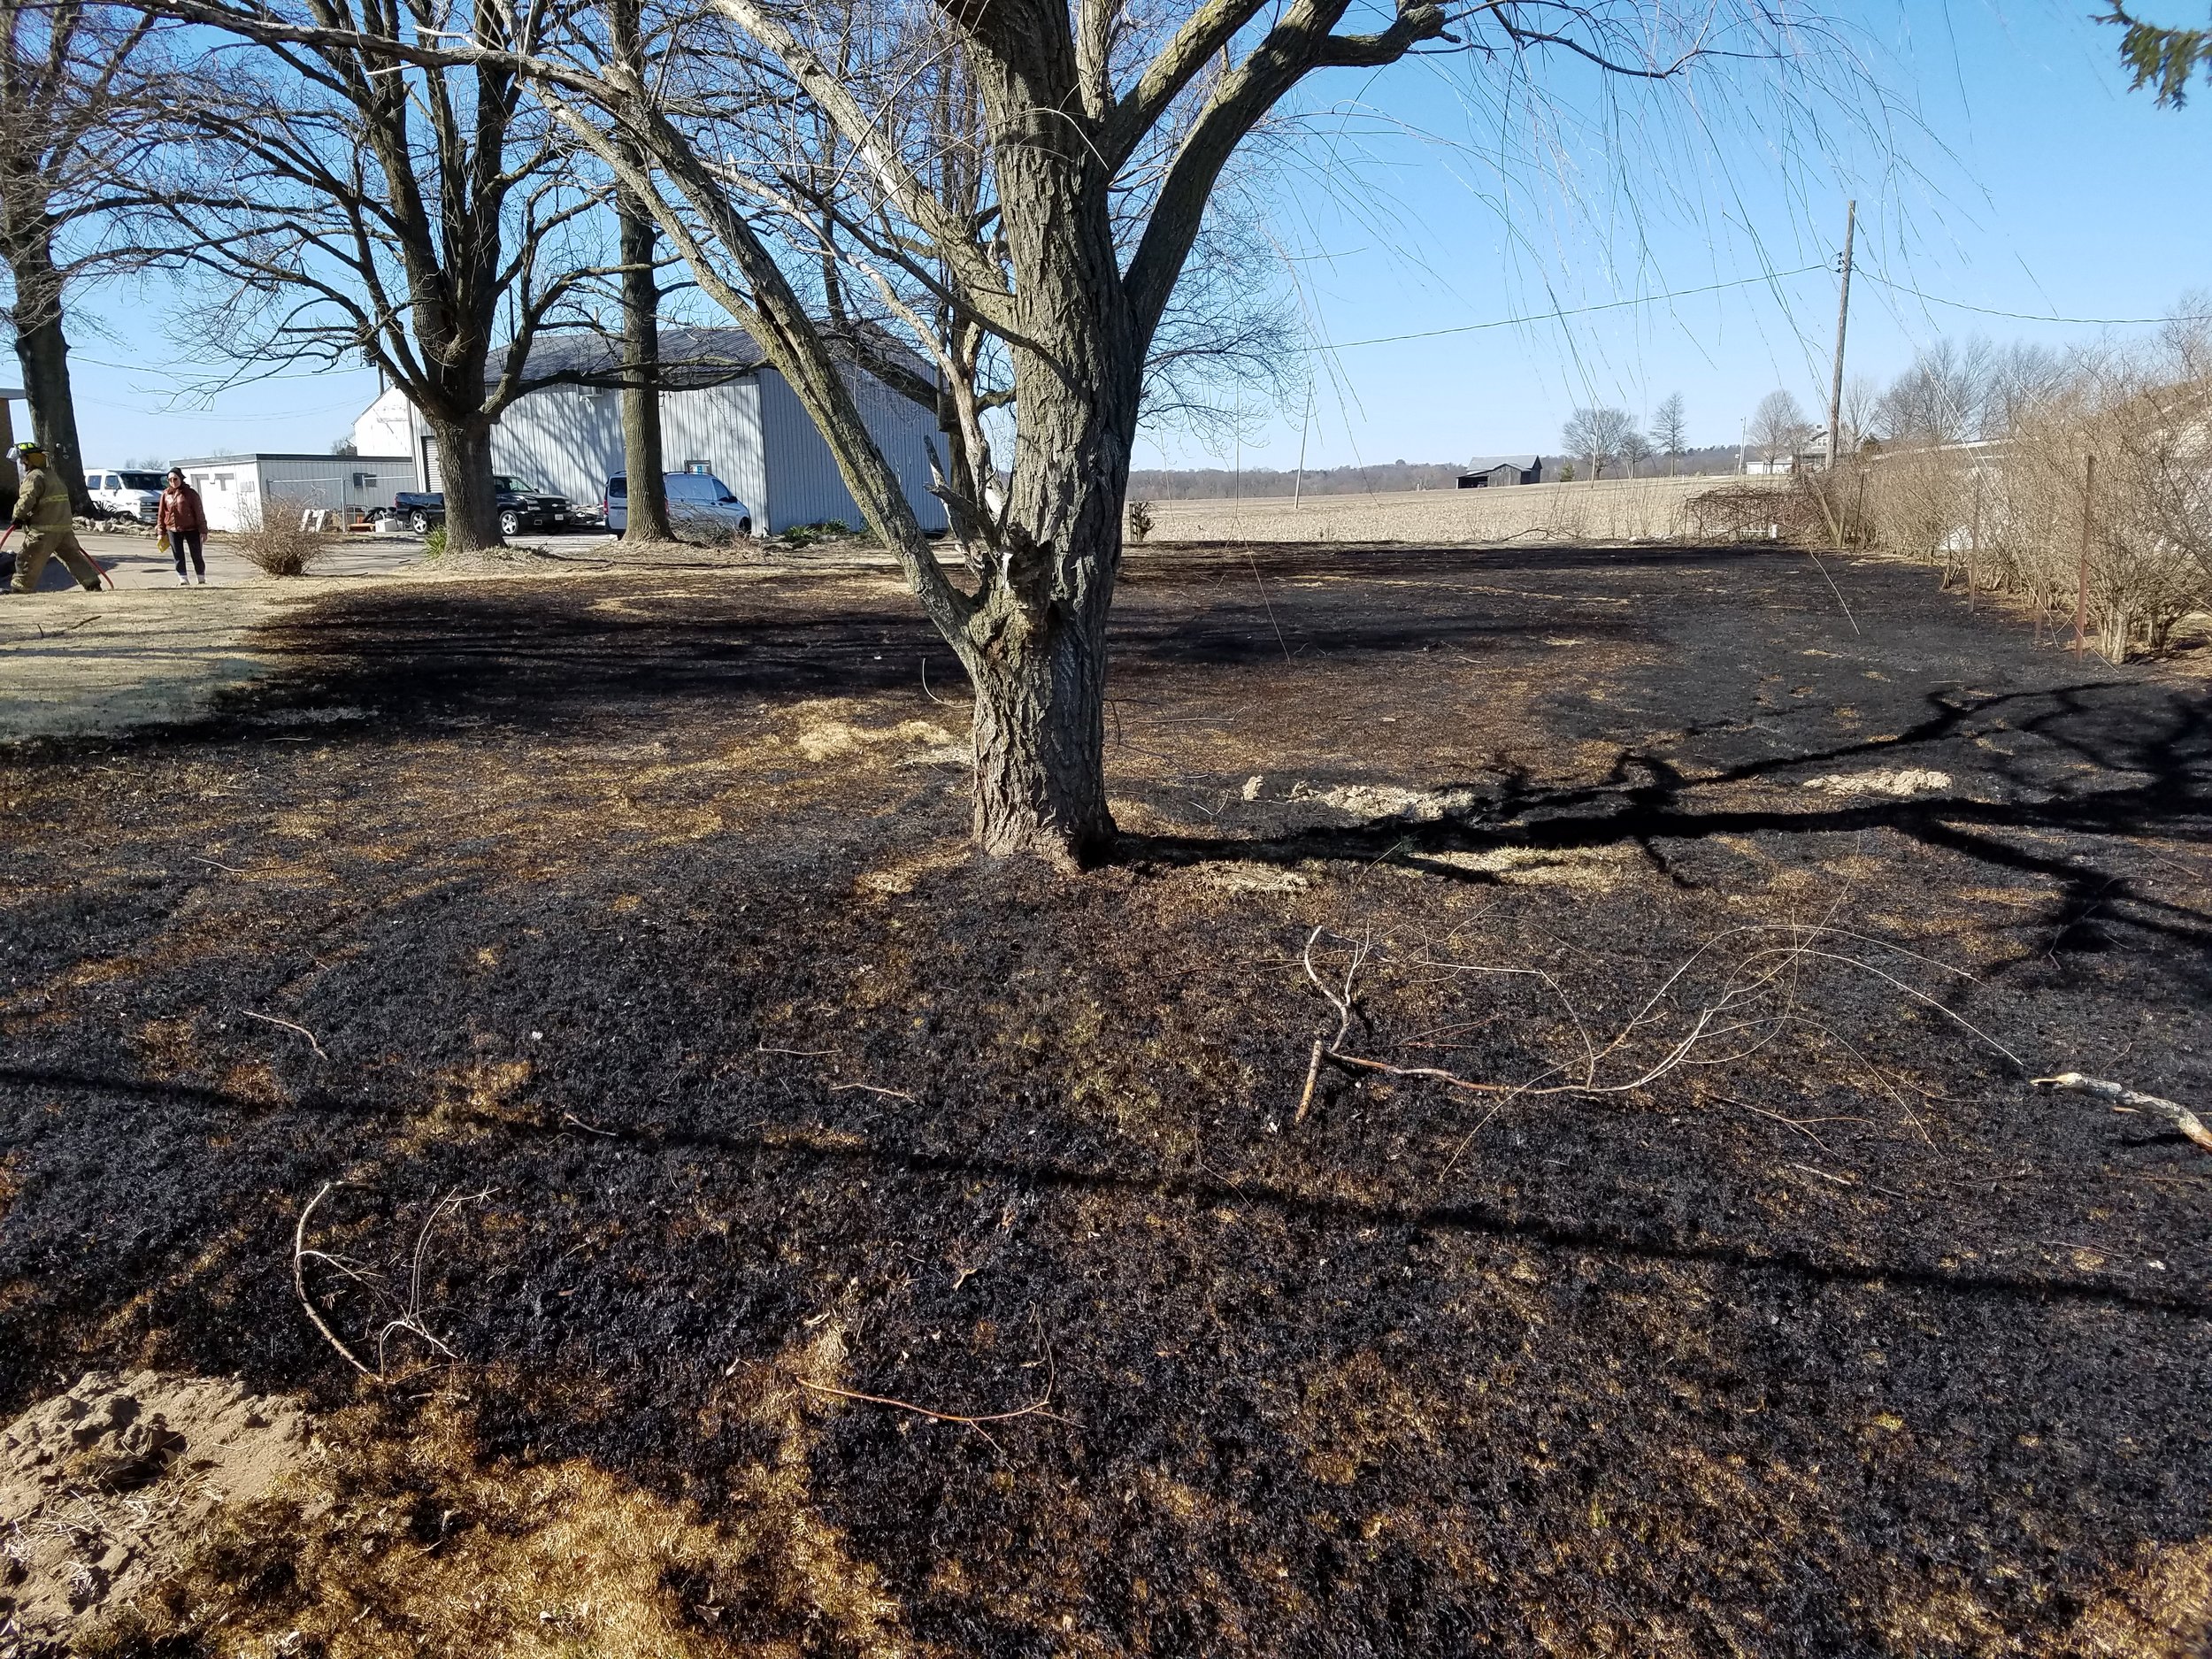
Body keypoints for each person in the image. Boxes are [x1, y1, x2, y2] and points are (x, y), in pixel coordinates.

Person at [8, 440, 102, 594]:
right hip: (63, 529)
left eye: (23, 459)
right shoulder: (53, 476)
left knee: (27, 558)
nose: (22, 463)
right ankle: (92, 584)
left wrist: (18, 516)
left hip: (43, 530)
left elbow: (27, 499)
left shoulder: (34, 477)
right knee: (73, 558)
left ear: (29, 459)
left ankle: (19, 589)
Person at [157, 468, 207, 585]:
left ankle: (201, 577)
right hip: (172, 529)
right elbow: (161, 514)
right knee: (178, 555)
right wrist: (160, 532)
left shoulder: (191, 494)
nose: (173, 481)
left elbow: (199, 512)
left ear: (181, 479)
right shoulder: (165, 494)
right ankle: (183, 578)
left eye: (175, 479)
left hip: (192, 528)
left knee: (196, 554)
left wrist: (203, 531)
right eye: (170, 480)